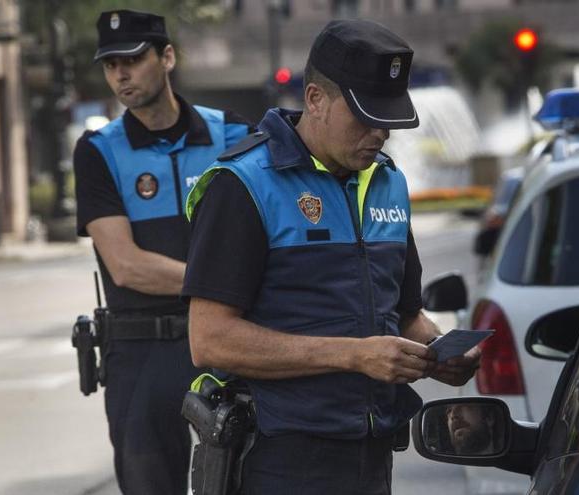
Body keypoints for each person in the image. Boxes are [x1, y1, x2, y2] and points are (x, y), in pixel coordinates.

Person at [182, 19, 480, 494]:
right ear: (316, 100)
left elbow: (404, 316)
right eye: (365, 117)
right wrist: (354, 355)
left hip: (372, 451)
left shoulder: (388, 181)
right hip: (279, 457)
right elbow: (210, 340)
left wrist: (439, 351)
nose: (380, 132)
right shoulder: (243, 186)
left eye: (389, 118)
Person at [72, 9, 251, 495]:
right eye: (110, 65)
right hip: (141, 352)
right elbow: (127, 267)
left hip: (226, 340)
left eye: (132, 58)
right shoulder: (98, 151)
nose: (121, 74)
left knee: (247, 477)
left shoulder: (232, 135)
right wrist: (223, 282)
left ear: (167, 57)